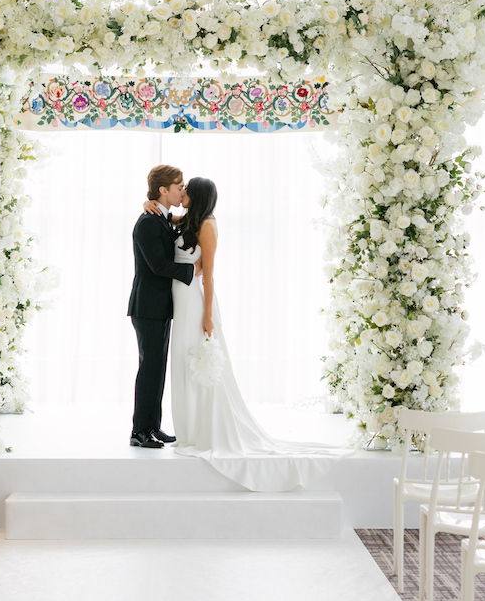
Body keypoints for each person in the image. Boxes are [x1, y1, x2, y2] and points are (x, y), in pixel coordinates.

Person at [146, 175, 348, 491]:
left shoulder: (208, 226)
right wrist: (147, 203)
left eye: (186, 189)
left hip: (194, 302)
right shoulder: (185, 220)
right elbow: (159, 214)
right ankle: (187, 429)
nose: (181, 192)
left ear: (196, 195)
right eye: (179, 188)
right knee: (182, 363)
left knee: (196, 363)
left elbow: (209, 277)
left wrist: (208, 316)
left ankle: (203, 431)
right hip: (177, 299)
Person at [126, 164, 194, 449]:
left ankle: (152, 426)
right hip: (147, 307)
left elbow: (187, 219)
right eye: (179, 186)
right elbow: (158, 266)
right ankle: (139, 432)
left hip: (159, 307)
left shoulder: (162, 217)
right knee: (150, 370)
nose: (182, 191)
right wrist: (193, 271)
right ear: (163, 190)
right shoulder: (147, 221)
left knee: (157, 369)